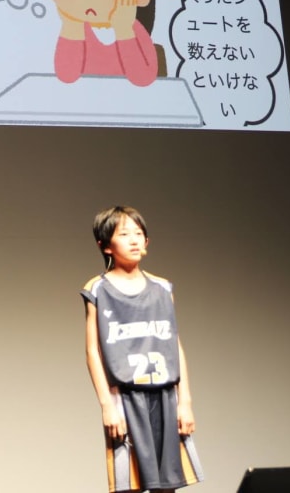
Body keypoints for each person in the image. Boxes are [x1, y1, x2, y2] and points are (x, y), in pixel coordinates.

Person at [82, 206, 203, 493]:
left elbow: (174, 345)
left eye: (139, 233)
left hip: (165, 394)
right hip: (125, 397)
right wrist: (107, 406)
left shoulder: (162, 288)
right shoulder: (98, 289)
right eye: (124, 234)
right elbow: (93, 351)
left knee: (167, 484)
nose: (134, 240)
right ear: (105, 245)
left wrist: (185, 402)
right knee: (130, 485)